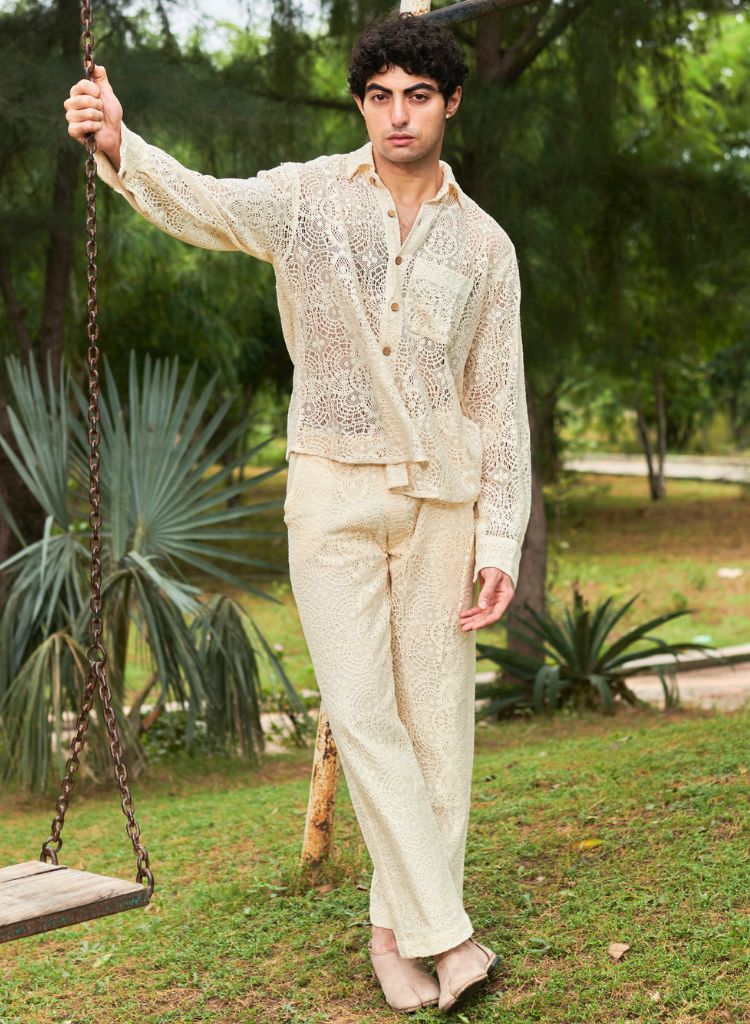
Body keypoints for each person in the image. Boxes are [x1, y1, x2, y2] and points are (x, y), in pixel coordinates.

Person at [65, 10, 532, 1015]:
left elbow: (498, 403)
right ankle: (449, 937)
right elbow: (204, 201)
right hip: (331, 495)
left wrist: (500, 533)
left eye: (418, 96)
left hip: (444, 505)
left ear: (450, 103)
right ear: (360, 103)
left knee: (438, 730)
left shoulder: (486, 246)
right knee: (362, 715)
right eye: (380, 97)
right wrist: (120, 144)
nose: (397, 116)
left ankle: (394, 937)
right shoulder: (307, 200)